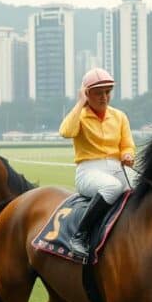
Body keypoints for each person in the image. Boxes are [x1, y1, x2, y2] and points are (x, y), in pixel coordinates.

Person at [58, 68, 135, 258]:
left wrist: (127, 155)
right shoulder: (80, 116)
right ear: (87, 94)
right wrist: (80, 103)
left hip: (117, 167)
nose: (104, 97)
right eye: (98, 93)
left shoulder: (119, 116)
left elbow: (127, 145)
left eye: (108, 92)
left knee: (145, 187)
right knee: (112, 187)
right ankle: (79, 236)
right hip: (88, 170)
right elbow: (66, 132)